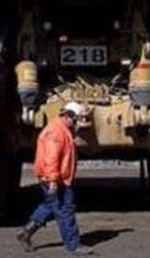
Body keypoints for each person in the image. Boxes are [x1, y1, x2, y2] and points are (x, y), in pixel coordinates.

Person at [16, 102, 93, 255]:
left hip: (55, 177)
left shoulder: (60, 129)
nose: (77, 123)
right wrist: (53, 180)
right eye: (76, 119)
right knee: (66, 209)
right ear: (68, 116)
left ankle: (26, 232)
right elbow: (51, 158)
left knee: (50, 206)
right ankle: (73, 245)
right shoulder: (57, 132)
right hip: (57, 178)